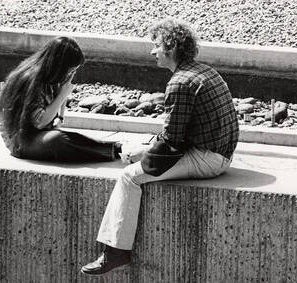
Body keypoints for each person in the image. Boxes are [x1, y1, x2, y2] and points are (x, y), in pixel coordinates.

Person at [81, 18, 239, 275]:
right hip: (221, 152)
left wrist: (142, 156)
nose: (152, 52)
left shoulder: (179, 83)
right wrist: (149, 148)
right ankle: (114, 251)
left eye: (156, 45)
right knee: (144, 152)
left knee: (129, 177)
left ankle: (115, 253)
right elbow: (179, 132)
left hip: (209, 159)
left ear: (170, 47)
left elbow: (172, 143)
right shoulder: (204, 71)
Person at [0, 36, 121, 162]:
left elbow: (60, 94)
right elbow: (39, 122)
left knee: (71, 138)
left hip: (37, 134)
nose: (71, 75)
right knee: (58, 139)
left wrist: (60, 117)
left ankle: (115, 149)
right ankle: (112, 151)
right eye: (70, 71)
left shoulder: (52, 75)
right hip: (20, 141)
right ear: (60, 65)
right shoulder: (33, 80)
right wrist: (63, 94)